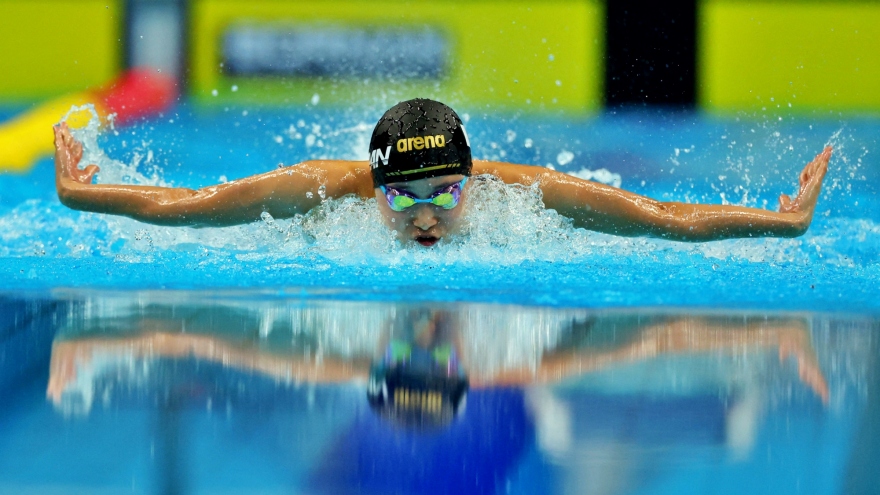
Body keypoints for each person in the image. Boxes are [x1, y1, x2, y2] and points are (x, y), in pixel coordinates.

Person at [54, 98, 832, 247]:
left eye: (445, 194)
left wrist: (785, 221)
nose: (426, 217)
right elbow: (188, 205)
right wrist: (79, 195)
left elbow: (662, 218)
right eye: (404, 199)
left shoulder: (516, 193)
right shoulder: (324, 188)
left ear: (471, 177)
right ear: (375, 187)